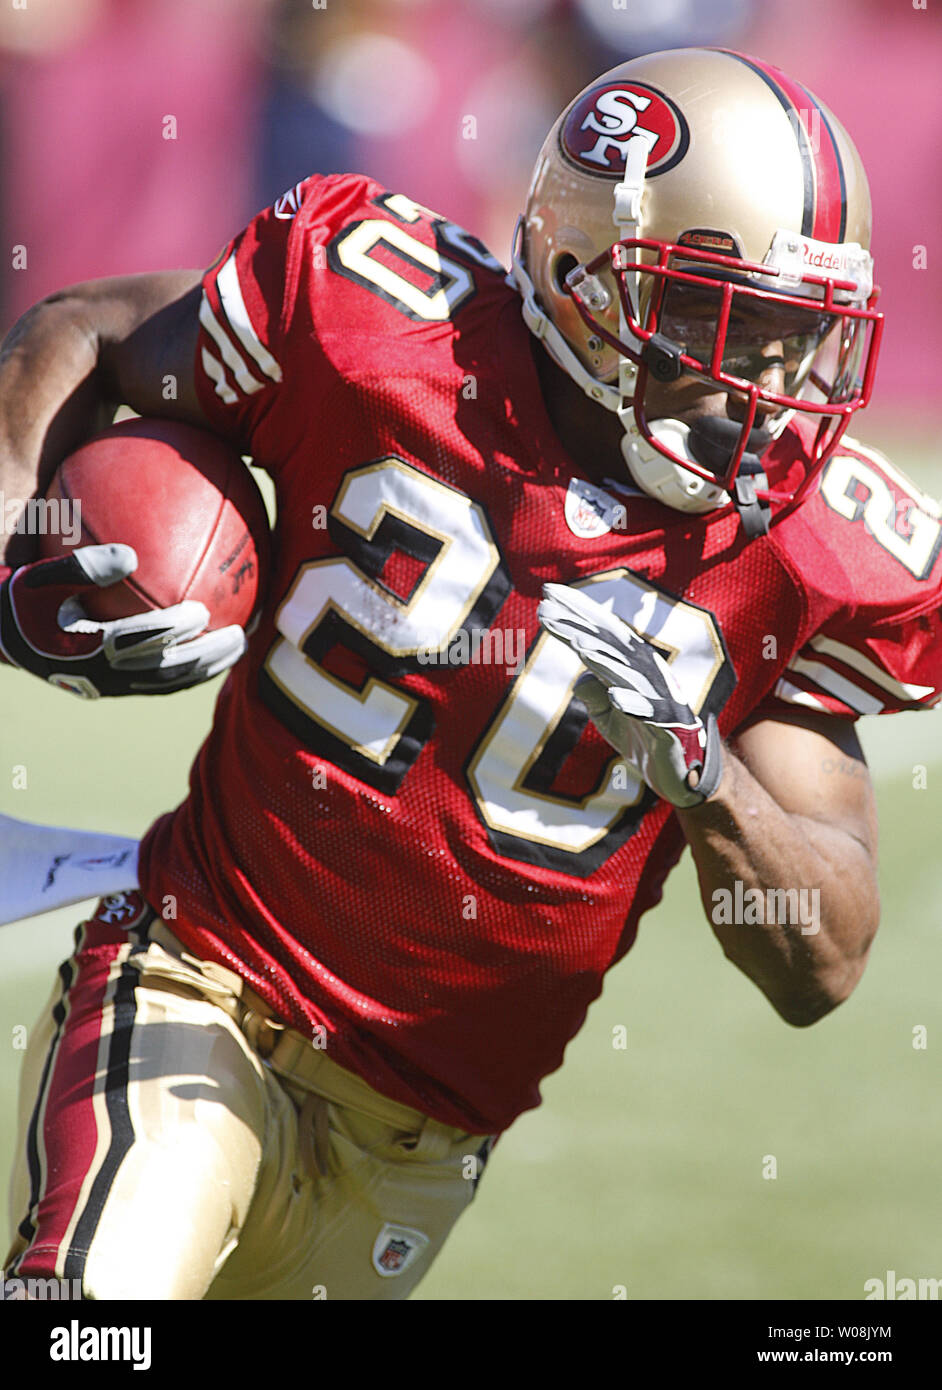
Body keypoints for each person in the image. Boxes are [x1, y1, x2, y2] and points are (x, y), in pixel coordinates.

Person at [1, 48, 939, 1301]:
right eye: (730, 325)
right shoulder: (376, 325)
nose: (770, 393)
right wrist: (22, 551)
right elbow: (88, 332)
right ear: (579, 276)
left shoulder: (810, 555)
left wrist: (711, 782)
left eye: (803, 341)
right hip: (198, 986)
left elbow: (820, 963)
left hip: (420, 1149)